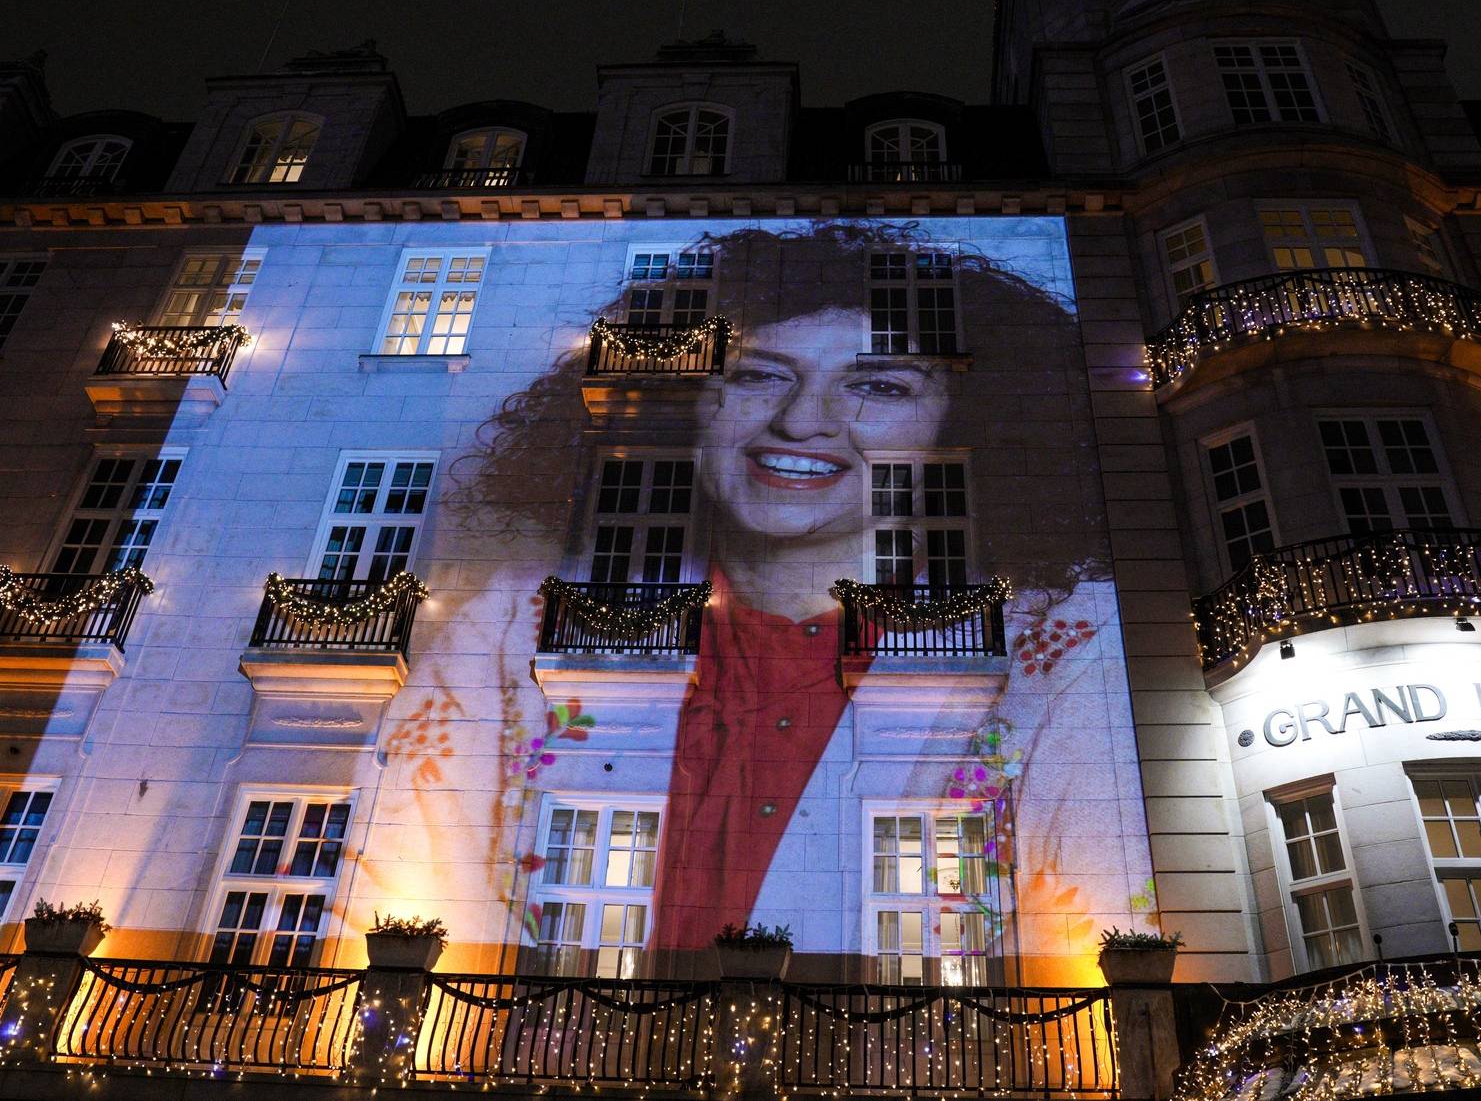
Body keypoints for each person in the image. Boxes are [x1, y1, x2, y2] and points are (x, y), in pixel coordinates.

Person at [447, 221, 1135, 982]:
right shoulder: (507, 625)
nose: (802, 421)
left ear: (964, 423)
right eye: (757, 375)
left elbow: (1089, 918)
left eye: (878, 385)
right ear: (693, 402)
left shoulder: (1069, 647)